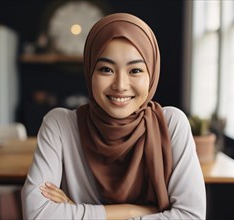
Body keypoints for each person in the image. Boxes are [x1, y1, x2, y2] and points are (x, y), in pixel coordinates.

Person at [21, 13, 206, 219]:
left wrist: (76, 211)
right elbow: (37, 214)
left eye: (135, 70)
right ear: (90, 70)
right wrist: (135, 211)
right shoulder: (60, 124)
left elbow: (191, 216)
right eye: (106, 69)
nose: (120, 85)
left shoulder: (171, 124)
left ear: (152, 74)